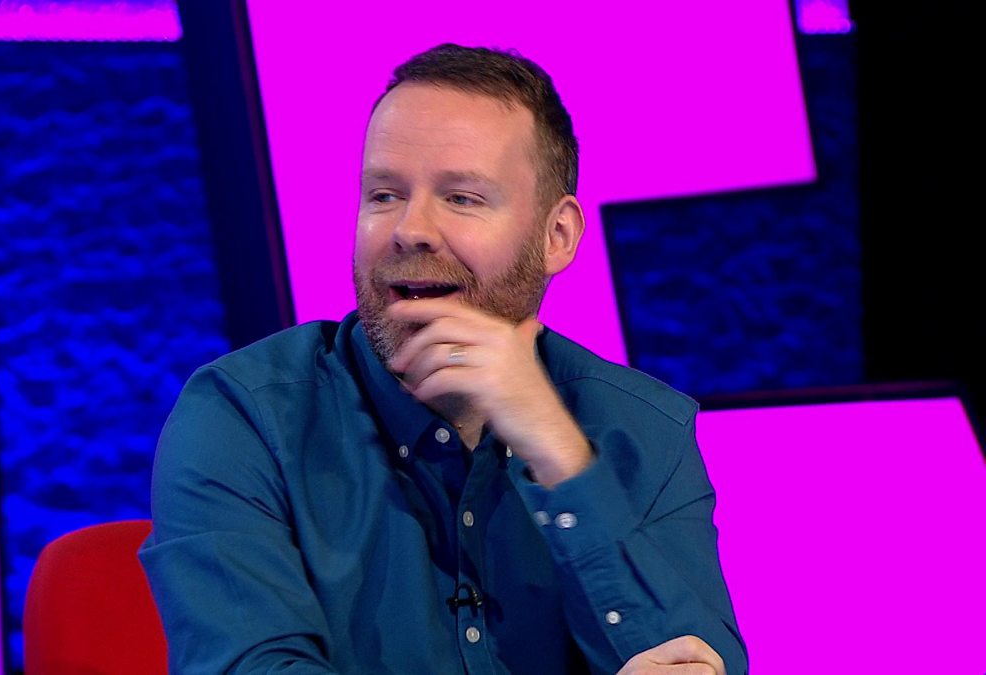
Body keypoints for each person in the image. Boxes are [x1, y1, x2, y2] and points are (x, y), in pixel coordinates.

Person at [140, 43, 747, 674]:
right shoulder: (243, 418)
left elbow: (698, 664)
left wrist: (561, 459)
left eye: (462, 198)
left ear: (556, 236)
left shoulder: (646, 430)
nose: (411, 229)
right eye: (384, 195)